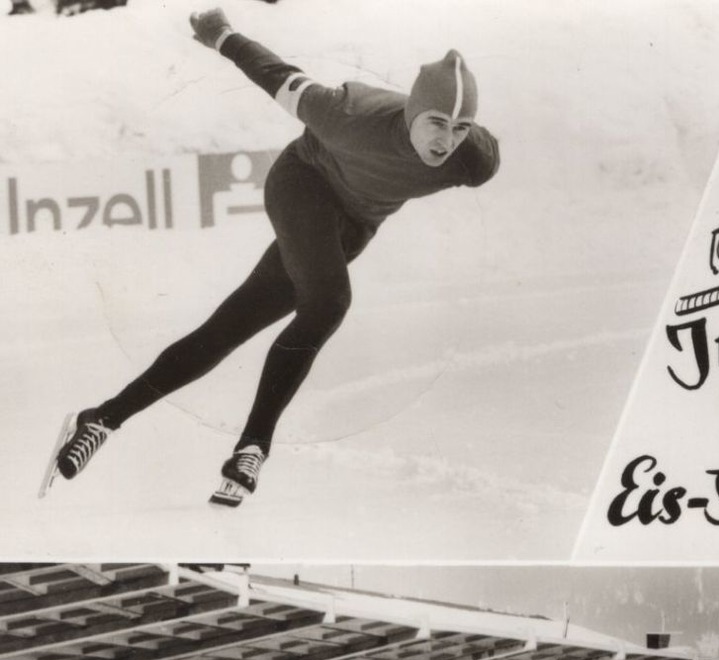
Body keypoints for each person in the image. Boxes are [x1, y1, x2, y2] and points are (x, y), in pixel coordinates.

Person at [48, 7, 500, 506]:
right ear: (413, 112)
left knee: (228, 329)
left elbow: (476, 146)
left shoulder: (471, 159)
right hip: (302, 185)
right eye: (437, 122)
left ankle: (102, 417)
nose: (446, 139)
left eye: (460, 128)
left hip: (350, 227)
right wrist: (221, 35)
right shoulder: (348, 115)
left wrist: (463, 136)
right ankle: (254, 445)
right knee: (328, 302)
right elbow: (278, 76)